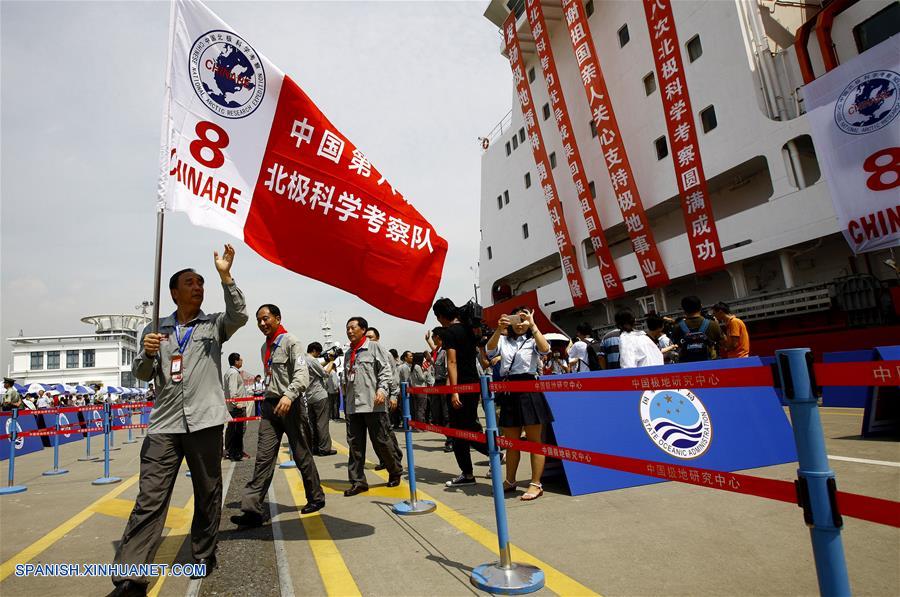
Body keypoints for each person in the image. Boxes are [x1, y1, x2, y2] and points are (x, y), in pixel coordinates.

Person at [109, 245, 248, 596]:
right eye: (190, 282)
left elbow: (240, 315)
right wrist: (147, 352)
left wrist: (225, 275)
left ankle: (202, 553)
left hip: (205, 422)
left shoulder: (214, 325)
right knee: (149, 499)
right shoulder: (155, 329)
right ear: (174, 292)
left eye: (201, 282)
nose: (198, 287)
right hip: (164, 425)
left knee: (208, 492)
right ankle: (131, 574)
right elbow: (143, 374)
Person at [232, 305, 326, 528]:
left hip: (290, 406)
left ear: (277, 318)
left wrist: (289, 395)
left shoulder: (291, 341)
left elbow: (302, 375)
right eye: (259, 321)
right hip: (270, 407)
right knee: (263, 458)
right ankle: (252, 509)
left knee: (302, 455)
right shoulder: (265, 346)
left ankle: (316, 497)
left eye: (266, 319)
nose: (262, 324)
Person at [486, 307, 552, 501]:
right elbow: (489, 351)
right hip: (509, 391)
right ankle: (510, 481)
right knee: (511, 443)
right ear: (510, 320)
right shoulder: (503, 341)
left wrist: (534, 325)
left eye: (524, 319)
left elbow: (545, 349)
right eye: (518, 319)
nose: (521, 323)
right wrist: (498, 330)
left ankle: (535, 484)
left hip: (530, 388)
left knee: (534, 442)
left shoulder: (532, 340)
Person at [432, 298, 490, 487]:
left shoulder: (450, 332)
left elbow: (452, 362)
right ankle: (493, 452)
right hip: (474, 384)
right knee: (470, 425)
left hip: (461, 386)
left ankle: (470, 471)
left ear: (441, 316)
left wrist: (454, 391)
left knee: (460, 431)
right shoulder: (469, 328)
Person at [343, 317, 402, 496]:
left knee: (382, 441)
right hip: (354, 407)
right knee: (355, 446)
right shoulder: (348, 353)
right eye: (347, 328)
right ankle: (358, 481)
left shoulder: (374, 347)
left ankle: (394, 471)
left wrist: (383, 390)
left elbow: (386, 371)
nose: (350, 331)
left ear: (363, 329)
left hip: (373, 404)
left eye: (353, 328)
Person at [365, 327, 403, 471]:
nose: (369, 341)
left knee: (385, 431)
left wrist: (393, 396)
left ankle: (395, 457)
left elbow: (392, 376)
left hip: (383, 398)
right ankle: (384, 459)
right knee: (375, 434)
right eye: (366, 338)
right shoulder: (363, 354)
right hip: (369, 401)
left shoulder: (385, 354)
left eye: (371, 337)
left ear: (378, 338)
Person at [304, 342, 338, 456]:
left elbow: (317, 368)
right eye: (318, 353)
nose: (319, 355)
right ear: (315, 351)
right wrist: (332, 360)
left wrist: (327, 360)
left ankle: (314, 447)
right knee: (322, 423)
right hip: (319, 395)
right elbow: (324, 373)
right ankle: (324, 449)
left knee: (313, 424)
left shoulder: (304, 360)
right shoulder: (312, 360)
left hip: (309, 397)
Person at [671, 296, 723, 362]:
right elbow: (724, 344)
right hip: (710, 366)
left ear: (683, 309)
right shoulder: (713, 324)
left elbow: (674, 345)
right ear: (701, 306)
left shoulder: (677, 327)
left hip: (687, 367)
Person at [426, 328, 452, 452]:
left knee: (446, 413)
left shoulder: (446, 351)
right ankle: (450, 436)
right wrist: (428, 340)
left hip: (444, 384)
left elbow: (448, 371)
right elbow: (435, 360)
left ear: (438, 337)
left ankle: (451, 441)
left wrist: (448, 388)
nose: (433, 339)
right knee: (437, 413)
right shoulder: (439, 351)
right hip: (437, 384)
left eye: (434, 337)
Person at [223, 353, 246, 462]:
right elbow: (233, 391)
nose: (242, 361)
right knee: (238, 431)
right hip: (237, 408)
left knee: (233, 430)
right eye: (240, 359)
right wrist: (237, 404)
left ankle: (233, 451)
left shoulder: (231, 372)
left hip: (234, 407)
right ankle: (235, 453)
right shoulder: (233, 373)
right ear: (236, 361)